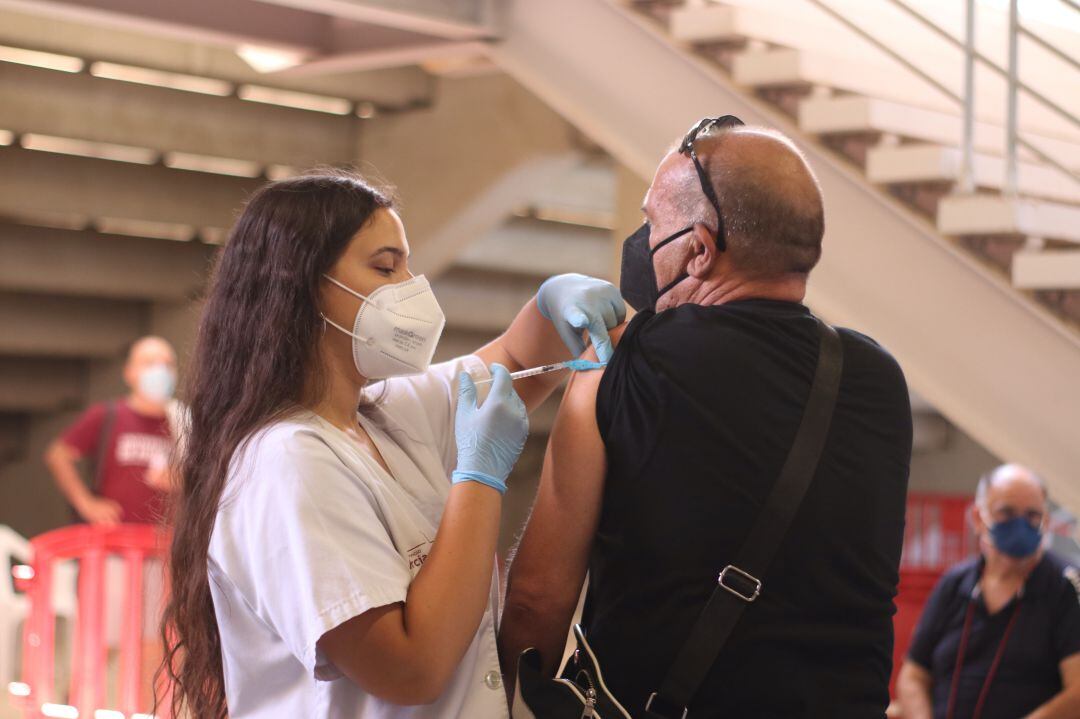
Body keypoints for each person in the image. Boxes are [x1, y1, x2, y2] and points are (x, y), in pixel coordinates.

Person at [160, 170, 626, 719]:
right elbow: (411, 670)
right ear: (305, 285)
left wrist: (552, 303)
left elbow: (520, 360)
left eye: (407, 264)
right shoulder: (288, 462)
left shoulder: (381, 415)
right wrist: (478, 480)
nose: (410, 288)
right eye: (385, 267)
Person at [498, 118, 913, 717]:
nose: (642, 241)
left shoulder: (619, 366)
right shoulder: (878, 378)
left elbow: (537, 599)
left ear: (698, 249)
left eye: (652, 223)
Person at [896, 464, 1080, 719]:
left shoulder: (1068, 586)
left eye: (1032, 515)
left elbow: (1078, 693)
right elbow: (913, 674)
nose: (1021, 525)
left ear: (1046, 521)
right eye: (1007, 512)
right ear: (977, 517)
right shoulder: (954, 583)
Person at [45, 335, 179, 525]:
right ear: (129, 372)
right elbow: (58, 455)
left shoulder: (184, 421)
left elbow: (204, 478)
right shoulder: (106, 415)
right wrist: (86, 503)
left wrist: (180, 479)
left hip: (164, 540)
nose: (160, 371)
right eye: (149, 363)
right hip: (112, 539)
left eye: (168, 364)